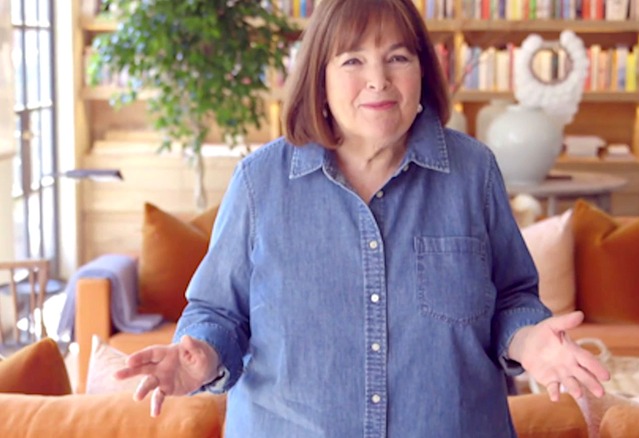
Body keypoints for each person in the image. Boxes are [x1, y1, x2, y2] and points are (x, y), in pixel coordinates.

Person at [115, 0, 610, 436]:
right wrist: (199, 354)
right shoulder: (259, 181)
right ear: (320, 78)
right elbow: (218, 311)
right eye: (353, 60)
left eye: (398, 57)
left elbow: (511, 298)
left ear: (422, 72)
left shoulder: (472, 171)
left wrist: (532, 342)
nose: (379, 80)